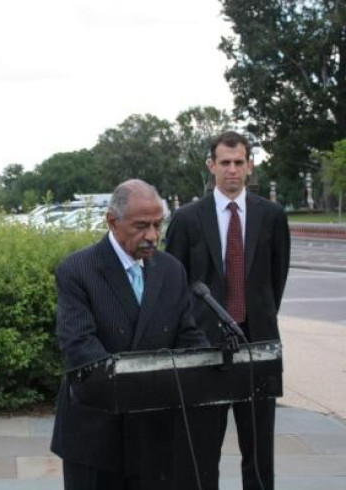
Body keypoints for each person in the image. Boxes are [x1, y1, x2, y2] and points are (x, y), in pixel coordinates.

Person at [51, 179, 209, 490]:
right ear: (112, 221)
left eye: (157, 225)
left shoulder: (171, 270)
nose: (152, 236)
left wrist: (205, 364)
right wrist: (139, 383)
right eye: (141, 226)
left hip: (155, 433)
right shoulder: (77, 269)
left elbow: (187, 335)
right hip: (95, 434)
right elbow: (79, 345)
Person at [165, 131, 290, 490]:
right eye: (225, 163)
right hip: (203, 345)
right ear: (211, 166)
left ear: (249, 166)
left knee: (260, 447)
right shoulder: (187, 218)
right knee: (202, 449)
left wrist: (256, 317)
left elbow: (275, 281)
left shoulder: (272, 215)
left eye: (239, 162)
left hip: (258, 341)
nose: (232, 170)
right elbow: (174, 282)